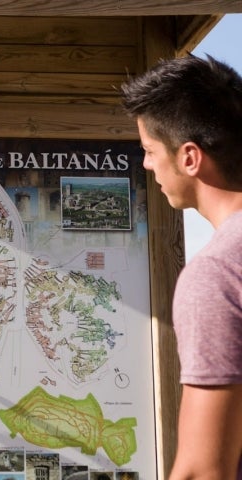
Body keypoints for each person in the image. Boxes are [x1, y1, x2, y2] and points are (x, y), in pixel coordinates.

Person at [121, 55, 242, 479]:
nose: (148, 164)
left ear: (190, 158)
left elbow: (203, 471)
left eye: (151, 150)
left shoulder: (219, 274)